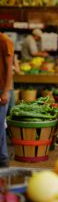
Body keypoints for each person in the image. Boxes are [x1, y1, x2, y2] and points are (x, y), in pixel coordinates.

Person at [0, 32, 14, 167]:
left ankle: (3, 159)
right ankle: (3, 157)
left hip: (2, 88)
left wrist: (6, 91)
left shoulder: (5, 41)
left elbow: (10, 68)